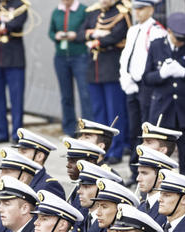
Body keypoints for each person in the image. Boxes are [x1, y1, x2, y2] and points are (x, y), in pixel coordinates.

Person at [141, 12, 185, 179]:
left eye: (184, 39)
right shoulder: (157, 45)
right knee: (159, 158)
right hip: (162, 111)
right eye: (178, 38)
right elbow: (146, 78)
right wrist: (161, 74)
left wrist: (184, 72)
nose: (181, 42)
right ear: (169, 31)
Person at [119, 0, 166, 178]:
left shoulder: (156, 30)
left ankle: (145, 167)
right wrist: (125, 77)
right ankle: (134, 168)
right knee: (133, 129)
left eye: (141, 8)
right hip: (132, 83)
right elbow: (126, 56)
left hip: (146, 85)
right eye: (135, 9)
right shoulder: (133, 30)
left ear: (151, 9)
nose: (137, 12)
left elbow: (153, 60)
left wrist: (140, 78)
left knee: (146, 129)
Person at [80, 0, 131, 164]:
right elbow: (81, 33)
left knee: (115, 113)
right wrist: (95, 35)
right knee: (98, 113)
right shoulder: (93, 12)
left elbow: (118, 34)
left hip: (111, 68)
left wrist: (99, 39)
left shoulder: (122, 12)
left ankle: (116, 150)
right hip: (94, 69)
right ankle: (100, 150)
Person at [0, 0, 30, 144]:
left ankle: (16, 134)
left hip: (14, 59)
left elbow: (17, 23)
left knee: (16, 98)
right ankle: (1, 133)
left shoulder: (20, 5)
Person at [49, 0, 92, 137]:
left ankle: (88, 129)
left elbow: (87, 30)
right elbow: (51, 31)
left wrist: (76, 35)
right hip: (61, 57)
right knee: (66, 95)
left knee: (85, 93)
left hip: (79, 56)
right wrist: (55, 36)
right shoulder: (57, 11)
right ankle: (69, 129)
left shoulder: (83, 11)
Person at [15, 128, 66, 198]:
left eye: (23, 152)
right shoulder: (18, 177)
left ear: (39, 156)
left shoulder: (49, 185)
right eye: (19, 152)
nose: (18, 156)